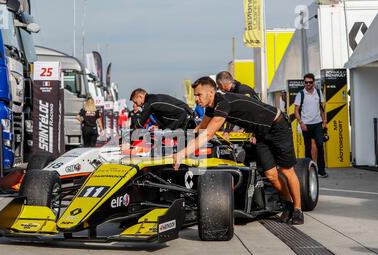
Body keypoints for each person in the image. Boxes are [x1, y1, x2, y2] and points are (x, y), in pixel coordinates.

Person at [173, 77, 304, 225]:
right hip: (260, 133)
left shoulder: (223, 103)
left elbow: (208, 134)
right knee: (271, 175)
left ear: (211, 92)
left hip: (277, 126)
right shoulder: (211, 107)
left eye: (198, 95)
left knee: (287, 171)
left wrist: (181, 154)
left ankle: (298, 209)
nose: (196, 99)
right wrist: (181, 142)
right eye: (195, 95)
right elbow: (200, 130)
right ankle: (288, 203)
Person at [295, 73, 328, 178]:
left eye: (310, 82)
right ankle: (308, 171)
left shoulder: (318, 92)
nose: (308, 84)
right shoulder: (301, 94)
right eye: (306, 82)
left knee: (320, 146)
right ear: (304, 82)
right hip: (306, 125)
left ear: (313, 82)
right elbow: (296, 110)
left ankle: (321, 171)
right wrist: (301, 123)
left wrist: (324, 122)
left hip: (318, 124)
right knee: (308, 148)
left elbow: (322, 108)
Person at [130, 88, 196, 130]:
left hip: (184, 119)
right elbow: (165, 114)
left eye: (136, 102)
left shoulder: (149, 103)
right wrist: (159, 127)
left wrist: (130, 134)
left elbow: (139, 124)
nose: (137, 105)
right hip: (184, 117)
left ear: (140, 97)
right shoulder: (153, 99)